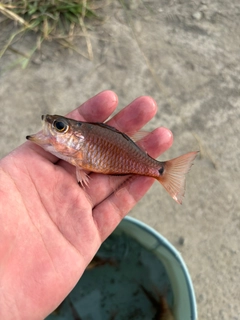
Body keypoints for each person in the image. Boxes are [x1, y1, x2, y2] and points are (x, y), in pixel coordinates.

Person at [0, 90, 173, 319]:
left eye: (60, 127)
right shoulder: (75, 151)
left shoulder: (81, 148)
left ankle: (163, 171)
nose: (52, 125)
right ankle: (161, 170)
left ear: (78, 137)